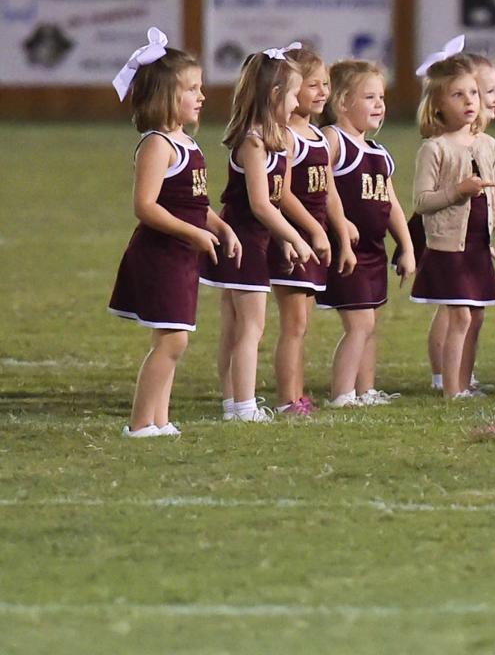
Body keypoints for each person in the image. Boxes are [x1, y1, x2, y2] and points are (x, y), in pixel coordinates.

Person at [109, 29, 242, 437]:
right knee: (172, 341)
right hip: (160, 255)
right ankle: (139, 423)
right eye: (191, 89)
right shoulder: (156, 145)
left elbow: (196, 204)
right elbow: (145, 206)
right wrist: (195, 234)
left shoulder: (187, 142)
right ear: (166, 96)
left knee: (175, 337)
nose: (201, 96)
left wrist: (221, 228)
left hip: (182, 253)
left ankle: (160, 420)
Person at [201, 47, 315, 423]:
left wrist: (283, 238)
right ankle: (243, 406)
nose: (299, 102)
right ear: (275, 95)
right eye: (295, 94)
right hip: (242, 239)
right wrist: (297, 238)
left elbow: (277, 201)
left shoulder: (279, 137)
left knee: (239, 326)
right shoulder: (253, 141)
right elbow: (262, 204)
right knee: (248, 327)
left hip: (256, 238)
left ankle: (234, 404)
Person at [410, 52, 495, 399]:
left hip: (476, 247)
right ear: (437, 105)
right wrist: (458, 191)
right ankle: (450, 389)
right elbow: (422, 202)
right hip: (448, 248)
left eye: (473, 93)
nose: (471, 101)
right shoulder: (434, 149)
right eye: (458, 95)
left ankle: (464, 383)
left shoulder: (488, 145)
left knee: (475, 317)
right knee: (459, 317)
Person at [317, 60, 417, 407]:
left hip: (374, 251)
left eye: (382, 97)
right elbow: (320, 181)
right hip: (347, 250)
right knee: (358, 324)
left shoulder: (377, 152)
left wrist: (406, 245)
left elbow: (391, 203)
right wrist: (339, 224)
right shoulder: (333, 139)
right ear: (342, 102)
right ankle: (342, 393)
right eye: (370, 97)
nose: (380, 105)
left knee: (370, 322)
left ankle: (366, 389)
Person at [268, 48, 358, 416]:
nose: (322, 92)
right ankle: (289, 400)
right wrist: (309, 232)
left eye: (326, 85)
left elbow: (329, 191)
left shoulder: (319, 136)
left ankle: (299, 394)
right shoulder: (286, 135)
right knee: (294, 323)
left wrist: (340, 229)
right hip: (293, 239)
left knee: (302, 324)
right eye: (313, 85)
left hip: (315, 237)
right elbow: (282, 192)